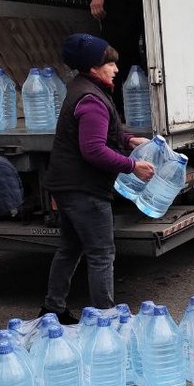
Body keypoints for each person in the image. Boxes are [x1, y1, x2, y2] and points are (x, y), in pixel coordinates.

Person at [41, 34, 153, 324]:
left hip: (68, 185)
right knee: (102, 253)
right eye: (110, 63)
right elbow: (93, 149)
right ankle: (106, 318)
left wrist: (126, 139)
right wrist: (132, 166)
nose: (116, 68)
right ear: (92, 66)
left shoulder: (84, 88)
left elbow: (97, 134)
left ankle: (53, 309)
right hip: (84, 189)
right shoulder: (91, 98)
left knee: (70, 248)